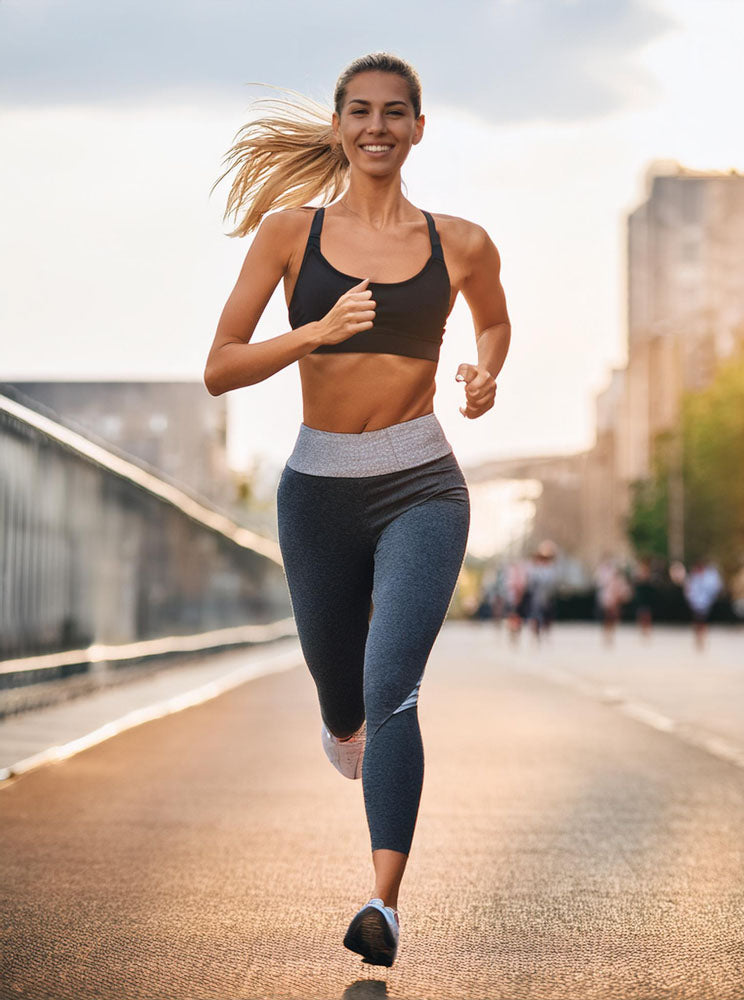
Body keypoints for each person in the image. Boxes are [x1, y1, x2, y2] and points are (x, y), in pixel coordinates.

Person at [203, 52, 510, 969]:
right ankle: (344, 726)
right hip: (318, 490)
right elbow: (220, 365)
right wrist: (312, 333)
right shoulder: (288, 235)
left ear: (419, 128)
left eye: (395, 113)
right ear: (341, 127)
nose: (378, 127)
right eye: (361, 112)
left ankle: (384, 903)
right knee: (344, 698)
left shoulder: (461, 242)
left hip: (423, 481)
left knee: (393, 685)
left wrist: (485, 370)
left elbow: (493, 320)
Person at [683, 558, 723, 651]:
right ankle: (698, 637)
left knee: (702, 620)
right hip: (696, 602)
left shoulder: (709, 576)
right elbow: (689, 590)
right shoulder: (693, 577)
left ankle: (701, 637)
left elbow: (714, 588)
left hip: (705, 602)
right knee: (697, 620)